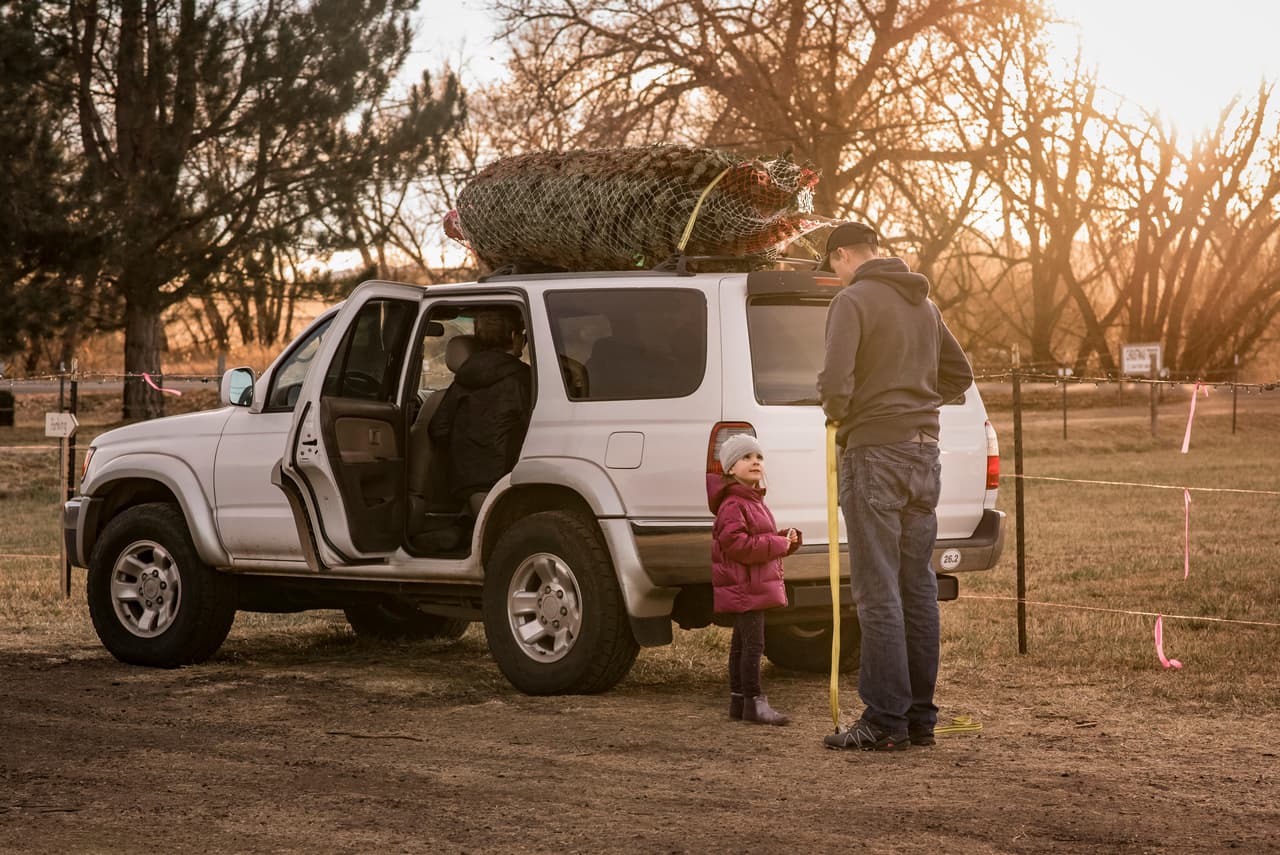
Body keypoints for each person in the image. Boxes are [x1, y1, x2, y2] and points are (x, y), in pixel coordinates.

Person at [816, 222, 973, 752]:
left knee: (877, 589)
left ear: (842, 256)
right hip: (924, 453)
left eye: (832, 266)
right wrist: (918, 404)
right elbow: (960, 374)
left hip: (874, 454)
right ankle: (919, 719)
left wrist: (849, 413)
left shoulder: (852, 301)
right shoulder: (922, 304)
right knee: (917, 587)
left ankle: (884, 719)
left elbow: (834, 384)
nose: (835, 276)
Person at [707, 433, 802, 727]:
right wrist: (776, 545)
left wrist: (785, 539)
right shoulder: (734, 504)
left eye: (758, 457)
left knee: (741, 644)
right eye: (746, 458)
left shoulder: (752, 500)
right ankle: (755, 701)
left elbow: (757, 538)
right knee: (753, 645)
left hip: (749, 585)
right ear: (730, 469)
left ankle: (740, 701)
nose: (755, 462)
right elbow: (738, 545)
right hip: (745, 587)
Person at [428, 307, 533, 516]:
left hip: (466, 483)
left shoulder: (463, 379)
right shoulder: (524, 379)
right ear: (514, 337)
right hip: (510, 478)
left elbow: (438, 429)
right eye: (523, 336)